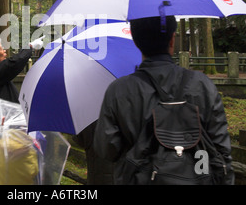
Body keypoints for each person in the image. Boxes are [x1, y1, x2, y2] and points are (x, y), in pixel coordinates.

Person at [93, 15, 234, 184]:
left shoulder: (119, 90)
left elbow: (107, 149)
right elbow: (222, 150)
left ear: (135, 39)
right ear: (172, 39)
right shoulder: (203, 85)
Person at [0, 36, 43, 103]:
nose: (4, 51)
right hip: (3, 112)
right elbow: (14, 63)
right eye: (1, 48)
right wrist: (30, 46)